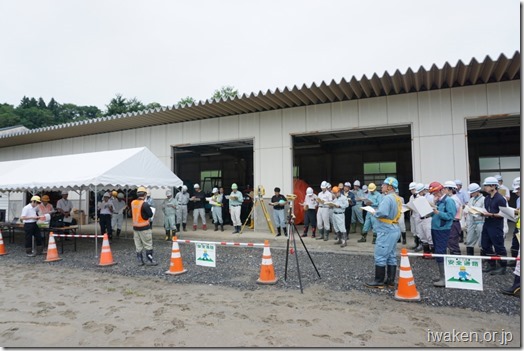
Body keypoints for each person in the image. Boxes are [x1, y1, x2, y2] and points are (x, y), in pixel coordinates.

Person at [364, 177, 402, 289]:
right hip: (394, 228)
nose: (382, 186)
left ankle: (379, 280)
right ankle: (390, 281)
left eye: (384, 185)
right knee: (391, 255)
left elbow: (383, 212)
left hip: (386, 230)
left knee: (380, 255)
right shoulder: (397, 198)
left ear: (390, 187)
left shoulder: (387, 198)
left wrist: (375, 212)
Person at [429, 181, 457, 287]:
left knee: (441, 251)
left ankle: (444, 278)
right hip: (435, 228)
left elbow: (450, 216)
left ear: (441, 190)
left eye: (435, 192)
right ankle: (442, 276)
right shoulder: (439, 201)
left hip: (443, 229)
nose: (434, 195)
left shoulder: (448, 201)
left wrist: (437, 212)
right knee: (437, 251)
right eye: (433, 193)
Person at [481, 176, 508, 275]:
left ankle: (502, 266)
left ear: (493, 186)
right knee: (485, 245)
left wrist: (491, 214)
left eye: (486, 186)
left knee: (498, 245)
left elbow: (503, 214)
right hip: (487, 223)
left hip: (496, 225)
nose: (485, 188)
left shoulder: (500, 199)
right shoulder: (487, 198)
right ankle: (491, 264)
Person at [131, 186, 157, 266]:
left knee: (138, 245)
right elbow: (150, 214)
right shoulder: (145, 204)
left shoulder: (133, 203)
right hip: (144, 227)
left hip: (135, 228)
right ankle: (149, 260)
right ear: (145, 194)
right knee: (148, 244)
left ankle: (140, 261)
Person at [465, 183, 484, 256]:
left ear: (477, 191)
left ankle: (483, 259)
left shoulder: (483, 199)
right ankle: (470, 258)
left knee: (481, 241)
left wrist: (476, 211)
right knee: (469, 240)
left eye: (472, 193)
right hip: (471, 221)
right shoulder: (471, 199)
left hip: (480, 221)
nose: (471, 194)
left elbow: (484, 211)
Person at [443, 181, 462, 256]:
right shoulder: (450, 198)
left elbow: (452, 212)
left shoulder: (453, 199)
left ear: (450, 189)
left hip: (454, 223)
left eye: (445, 188)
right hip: (451, 223)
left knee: (453, 242)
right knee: (450, 242)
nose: (443, 190)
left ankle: (456, 260)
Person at [414, 183, 433, 256]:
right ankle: (426, 254)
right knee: (422, 236)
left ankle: (433, 254)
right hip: (420, 219)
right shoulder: (417, 198)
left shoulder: (429, 197)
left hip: (427, 218)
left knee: (429, 236)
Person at [508, 177, 520, 267]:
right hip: (518, 224)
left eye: (518, 189)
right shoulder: (518, 199)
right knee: (515, 243)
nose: (517, 192)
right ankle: (514, 260)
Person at [408, 182, 421, 251]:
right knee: (414, 230)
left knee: (418, 230)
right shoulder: (411, 197)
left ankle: (420, 244)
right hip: (412, 215)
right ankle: (416, 244)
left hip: (418, 215)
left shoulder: (419, 197)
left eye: (413, 189)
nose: (411, 191)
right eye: (411, 190)